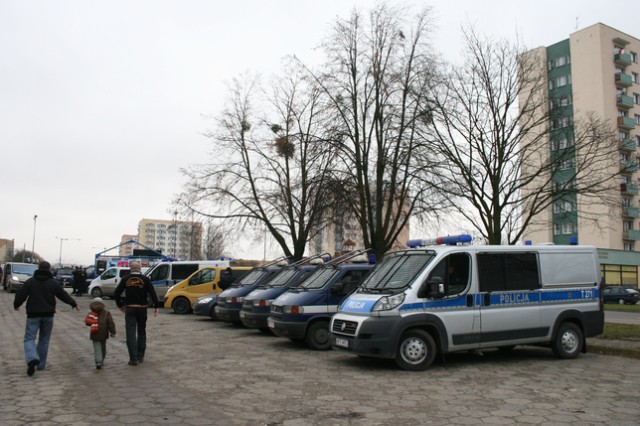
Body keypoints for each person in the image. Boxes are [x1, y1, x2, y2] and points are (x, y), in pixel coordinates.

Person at [13, 261, 80, 376]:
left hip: (33, 315)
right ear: (49, 270)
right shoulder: (53, 283)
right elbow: (63, 295)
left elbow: (21, 294)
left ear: (38, 268)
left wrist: (16, 305)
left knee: (29, 338)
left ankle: (32, 358)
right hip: (48, 315)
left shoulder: (31, 282)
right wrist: (73, 304)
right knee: (44, 340)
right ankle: (40, 364)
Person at [113, 261, 159, 366]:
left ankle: (132, 358)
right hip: (142, 309)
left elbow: (116, 293)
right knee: (142, 331)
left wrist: (120, 305)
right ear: (140, 268)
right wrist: (156, 306)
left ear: (130, 269)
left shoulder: (125, 279)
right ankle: (140, 356)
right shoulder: (145, 279)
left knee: (130, 333)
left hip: (130, 309)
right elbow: (152, 293)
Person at [84, 297, 116, 369]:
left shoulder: (91, 313)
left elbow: (87, 322)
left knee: (97, 347)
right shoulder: (106, 313)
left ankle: (98, 361)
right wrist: (112, 332)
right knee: (103, 347)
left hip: (94, 332)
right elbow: (110, 323)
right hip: (103, 333)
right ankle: (102, 359)